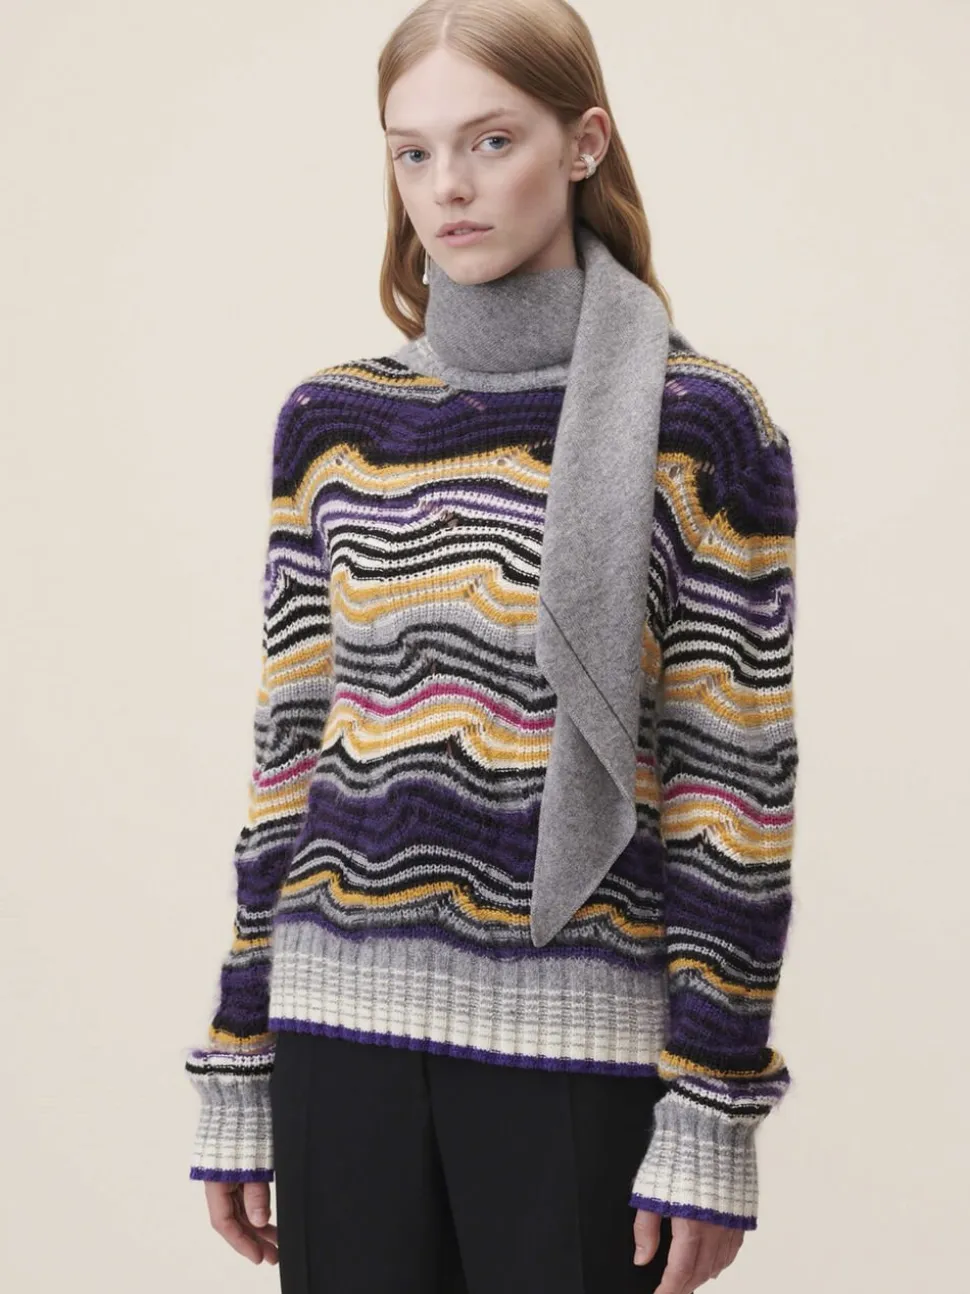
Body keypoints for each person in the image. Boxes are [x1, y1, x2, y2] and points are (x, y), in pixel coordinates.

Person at [183, 2, 799, 1291]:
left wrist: (714, 1106)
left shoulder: (702, 426)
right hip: (337, 1040)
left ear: (585, 143)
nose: (447, 188)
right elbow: (291, 757)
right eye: (412, 152)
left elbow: (731, 791)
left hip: (582, 1052)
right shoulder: (334, 421)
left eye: (491, 140)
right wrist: (239, 1055)